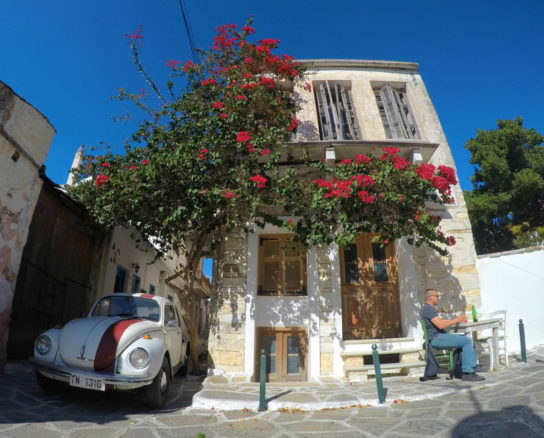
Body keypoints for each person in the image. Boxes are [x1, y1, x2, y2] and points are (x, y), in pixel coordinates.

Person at [421, 288, 485, 382]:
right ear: (430, 298)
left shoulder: (427, 309)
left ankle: (469, 367)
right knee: (467, 341)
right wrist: (457, 320)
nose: (438, 298)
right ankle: (468, 373)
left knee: (464, 339)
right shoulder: (428, 309)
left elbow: (440, 322)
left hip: (436, 337)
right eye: (437, 296)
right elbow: (441, 325)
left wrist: (455, 319)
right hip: (436, 338)